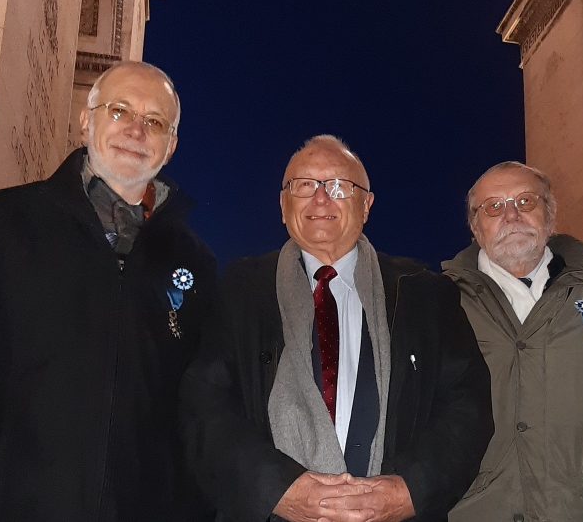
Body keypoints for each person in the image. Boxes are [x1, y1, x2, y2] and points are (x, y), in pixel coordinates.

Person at [0, 61, 216, 521]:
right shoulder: (3, 223)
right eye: (119, 110)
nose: (136, 130)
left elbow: (199, 419)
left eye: (154, 121)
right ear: (86, 121)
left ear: (172, 145)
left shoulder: (195, 263)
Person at [180, 134, 493, 522]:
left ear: (367, 205)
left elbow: (469, 407)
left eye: (340, 186)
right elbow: (204, 406)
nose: (321, 199)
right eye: (304, 185)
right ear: (283, 205)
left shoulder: (425, 294)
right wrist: (276, 490)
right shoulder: (240, 292)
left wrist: (409, 489)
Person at [442, 162, 583, 522]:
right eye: (494, 206)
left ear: (550, 215)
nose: (512, 215)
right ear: (475, 226)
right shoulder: (439, 304)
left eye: (526, 201)